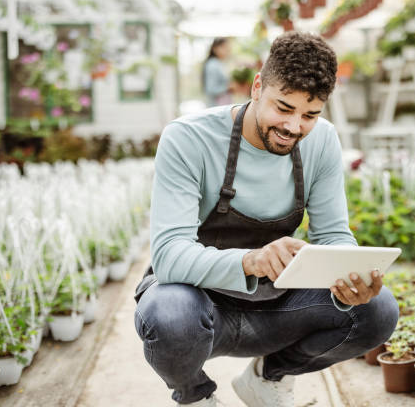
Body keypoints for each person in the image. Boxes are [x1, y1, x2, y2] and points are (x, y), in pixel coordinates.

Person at [133, 31, 399, 407]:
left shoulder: (321, 140)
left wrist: (350, 278)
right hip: (202, 309)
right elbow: (169, 256)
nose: (294, 127)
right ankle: (195, 396)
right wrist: (251, 259)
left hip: (278, 307)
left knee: (377, 310)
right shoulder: (188, 138)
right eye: (283, 107)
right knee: (169, 313)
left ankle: (267, 379)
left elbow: (334, 235)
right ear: (257, 87)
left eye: (310, 114)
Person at [202, 37, 232, 107]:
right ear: (215, 48)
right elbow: (210, 89)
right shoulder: (213, 64)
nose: (227, 50)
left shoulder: (219, 63)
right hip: (216, 107)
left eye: (228, 47)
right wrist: (228, 87)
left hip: (220, 106)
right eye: (224, 47)